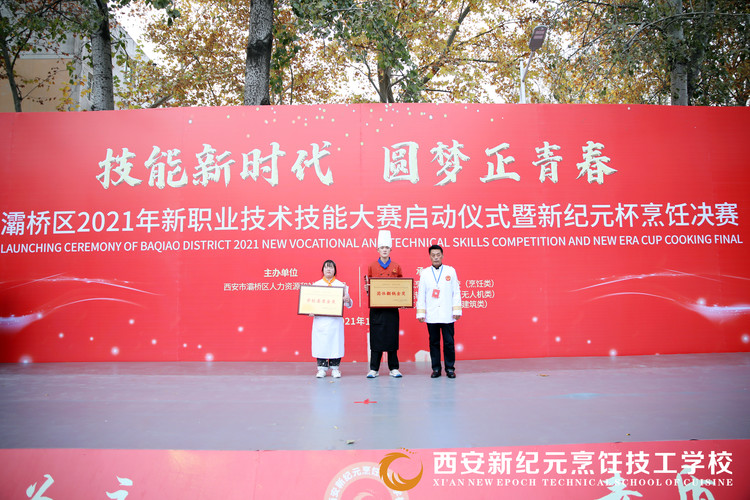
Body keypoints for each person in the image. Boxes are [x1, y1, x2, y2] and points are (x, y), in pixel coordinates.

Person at [416, 244, 462, 378]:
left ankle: (450, 368)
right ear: (429, 257)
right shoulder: (425, 273)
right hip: (432, 314)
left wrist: (456, 310)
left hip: (447, 313)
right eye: (433, 255)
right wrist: (421, 313)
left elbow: (456, 291)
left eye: (438, 255)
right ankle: (436, 369)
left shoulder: (450, 271)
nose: (436, 257)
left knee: (449, 342)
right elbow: (421, 294)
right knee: (434, 342)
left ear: (442, 256)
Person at [365, 230, 404, 378]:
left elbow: (401, 286)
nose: (384, 250)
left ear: (390, 249)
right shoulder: (372, 266)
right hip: (377, 308)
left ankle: (394, 368)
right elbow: (369, 287)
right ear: (378, 249)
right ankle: (374, 369)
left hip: (392, 308)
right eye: (382, 248)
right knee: (376, 338)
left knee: (392, 336)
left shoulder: (396, 266)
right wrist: (368, 290)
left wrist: (403, 299)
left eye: (387, 247)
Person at [310, 259, 353, 378]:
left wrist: (348, 300)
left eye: (331, 267)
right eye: (326, 267)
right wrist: (309, 309)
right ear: (322, 270)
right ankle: (322, 369)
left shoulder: (341, 286)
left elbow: (348, 304)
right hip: (321, 321)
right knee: (321, 344)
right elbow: (310, 303)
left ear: (335, 270)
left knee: (335, 344)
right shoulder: (316, 285)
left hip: (335, 322)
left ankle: (335, 369)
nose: (328, 269)